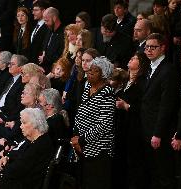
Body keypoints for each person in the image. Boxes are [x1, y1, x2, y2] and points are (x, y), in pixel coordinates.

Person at [0, 108, 54, 189]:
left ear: (35, 124)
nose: (21, 127)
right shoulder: (33, 138)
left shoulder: (40, 145)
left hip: (20, 184)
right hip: (13, 176)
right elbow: (17, 154)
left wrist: (4, 163)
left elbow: (17, 170)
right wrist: (6, 157)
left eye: (24, 123)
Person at [140, 33, 179, 189]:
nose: (148, 50)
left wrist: (158, 133)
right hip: (147, 128)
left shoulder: (168, 71)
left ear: (163, 48)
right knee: (153, 172)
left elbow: (166, 105)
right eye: (146, 47)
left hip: (159, 132)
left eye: (153, 47)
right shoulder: (150, 68)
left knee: (164, 174)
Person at [71, 56, 115, 189]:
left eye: (94, 71)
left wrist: (81, 140)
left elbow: (104, 125)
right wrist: (76, 136)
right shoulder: (87, 89)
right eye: (89, 70)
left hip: (99, 151)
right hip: (82, 149)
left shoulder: (107, 94)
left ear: (104, 75)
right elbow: (80, 114)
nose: (89, 73)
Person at [114, 52, 150, 189]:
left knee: (134, 163)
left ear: (141, 65)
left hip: (134, 128)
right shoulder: (125, 81)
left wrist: (126, 106)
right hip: (122, 126)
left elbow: (144, 106)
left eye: (135, 58)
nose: (131, 58)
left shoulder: (142, 83)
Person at [38, 7, 64, 73]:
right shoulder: (49, 30)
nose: (45, 23)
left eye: (47, 20)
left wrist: (45, 58)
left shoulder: (64, 33)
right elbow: (44, 46)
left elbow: (61, 55)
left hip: (55, 71)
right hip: (44, 69)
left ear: (54, 18)